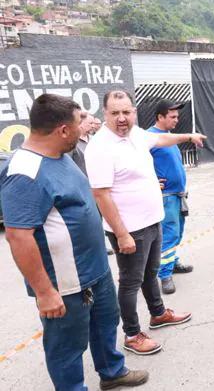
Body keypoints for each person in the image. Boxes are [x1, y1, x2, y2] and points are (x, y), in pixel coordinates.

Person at [0, 94, 148, 390]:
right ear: (63, 130)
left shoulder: (61, 156)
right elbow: (18, 236)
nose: (84, 128)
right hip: (65, 284)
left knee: (106, 324)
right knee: (67, 348)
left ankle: (112, 372)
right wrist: (45, 292)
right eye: (79, 122)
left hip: (95, 271)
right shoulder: (24, 173)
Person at [85, 90, 205, 355]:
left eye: (126, 112)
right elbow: (101, 195)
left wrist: (188, 136)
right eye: (114, 113)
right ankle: (132, 334)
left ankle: (158, 313)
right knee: (130, 282)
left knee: (150, 274)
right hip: (129, 230)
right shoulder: (100, 147)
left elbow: (161, 138)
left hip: (152, 220)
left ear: (134, 112)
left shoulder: (137, 134)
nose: (121, 118)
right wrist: (122, 234)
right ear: (105, 114)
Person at [147, 100, 194, 295]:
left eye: (177, 116)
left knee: (177, 232)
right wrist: (151, 182)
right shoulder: (150, 137)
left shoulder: (167, 136)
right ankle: (165, 275)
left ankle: (172, 263)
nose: (177, 120)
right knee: (168, 235)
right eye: (172, 117)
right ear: (160, 117)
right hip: (166, 197)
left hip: (177, 195)